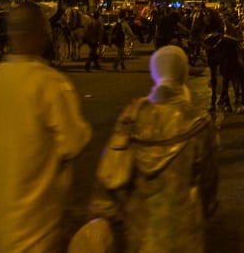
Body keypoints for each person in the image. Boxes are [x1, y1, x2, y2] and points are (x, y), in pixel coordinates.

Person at [0, 1, 92, 252]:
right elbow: (74, 141)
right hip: (38, 227)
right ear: (37, 34)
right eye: (47, 30)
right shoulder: (50, 84)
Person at [90, 45, 219, 252]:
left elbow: (109, 171)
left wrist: (107, 210)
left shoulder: (132, 116)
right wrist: (206, 207)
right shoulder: (198, 122)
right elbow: (209, 180)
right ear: (183, 73)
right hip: (183, 228)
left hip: (140, 227)